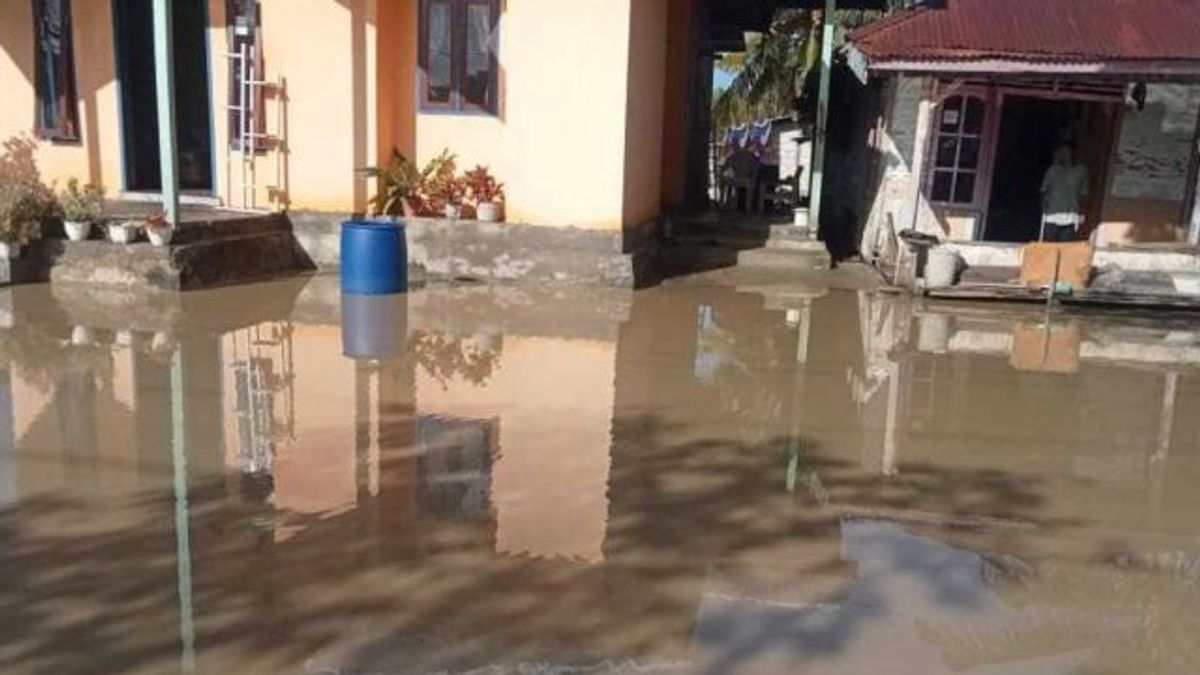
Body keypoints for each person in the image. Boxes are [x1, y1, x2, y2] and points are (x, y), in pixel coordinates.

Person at [1040, 143, 1089, 242]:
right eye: (1062, 152)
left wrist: (1082, 214)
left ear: (1073, 153)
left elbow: (1084, 194)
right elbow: (1043, 191)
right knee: (1048, 247)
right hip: (1051, 217)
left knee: (1065, 248)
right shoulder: (1053, 170)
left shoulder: (1081, 171)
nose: (1065, 155)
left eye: (1067, 152)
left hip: (1071, 217)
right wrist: (1044, 207)